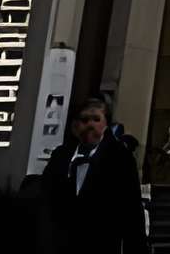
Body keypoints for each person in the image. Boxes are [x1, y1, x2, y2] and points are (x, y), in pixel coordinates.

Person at [41, 96, 147, 253]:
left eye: (96, 119)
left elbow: (133, 212)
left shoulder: (120, 158)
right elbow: (45, 202)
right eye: (84, 120)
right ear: (75, 125)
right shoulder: (60, 156)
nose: (90, 125)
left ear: (106, 124)